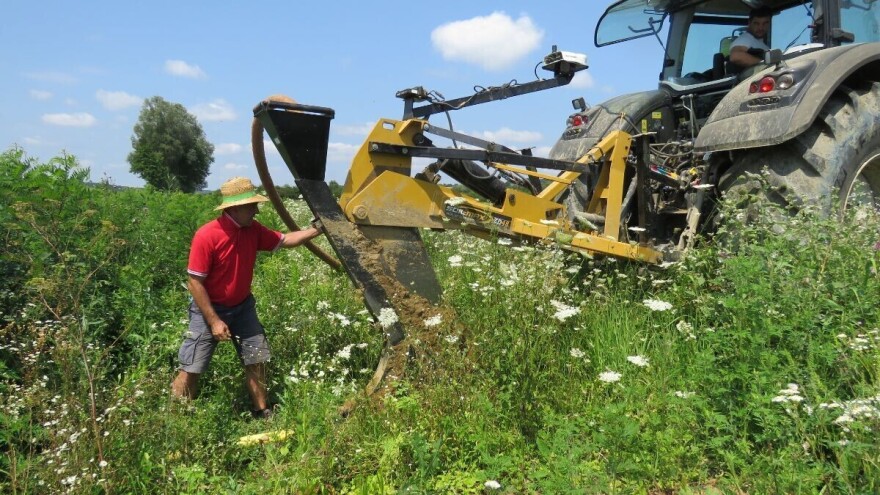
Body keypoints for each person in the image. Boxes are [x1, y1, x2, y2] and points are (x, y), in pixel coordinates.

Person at [171, 177, 323, 419]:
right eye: (251, 206)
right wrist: (214, 321)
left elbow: (285, 240)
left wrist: (318, 229)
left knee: (256, 359)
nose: (256, 210)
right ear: (234, 208)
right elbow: (195, 282)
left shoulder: (253, 230)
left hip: (243, 308)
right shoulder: (207, 235)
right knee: (192, 365)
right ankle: (175, 417)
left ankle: (262, 412)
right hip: (208, 310)